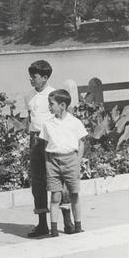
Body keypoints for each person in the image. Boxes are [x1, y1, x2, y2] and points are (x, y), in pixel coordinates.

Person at [25, 60, 72, 237]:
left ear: (44, 77)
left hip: (53, 140)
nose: (31, 79)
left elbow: (63, 119)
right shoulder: (28, 96)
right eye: (30, 76)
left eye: (34, 76)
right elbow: (31, 118)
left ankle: (67, 222)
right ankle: (42, 224)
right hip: (35, 140)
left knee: (58, 179)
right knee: (38, 182)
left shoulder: (54, 95)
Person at [39, 89, 88, 237]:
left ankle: (78, 226)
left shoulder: (75, 122)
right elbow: (45, 144)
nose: (49, 106)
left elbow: (81, 143)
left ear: (62, 105)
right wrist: (48, 162)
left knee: (74, 194)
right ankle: (54, 230)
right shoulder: (48, 124)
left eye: (51, 104)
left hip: (71, 160)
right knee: (55, 196)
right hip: (53, 161)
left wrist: (77, 161)